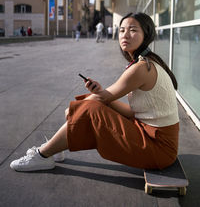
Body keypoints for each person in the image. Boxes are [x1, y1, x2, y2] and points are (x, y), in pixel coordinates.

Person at [10, 12, 179, 172]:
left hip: (158, 149)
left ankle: (43, 154)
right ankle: (54, 149)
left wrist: (84, 106)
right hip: (151, 136)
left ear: (146, 35)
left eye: (133, 30)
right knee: (88, 103)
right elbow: (132, 112)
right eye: (121, 30)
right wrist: (95, 98)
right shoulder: (148, 62)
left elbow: (103, 99)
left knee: (89, 107)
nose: (125, 35)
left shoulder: (142, 68)